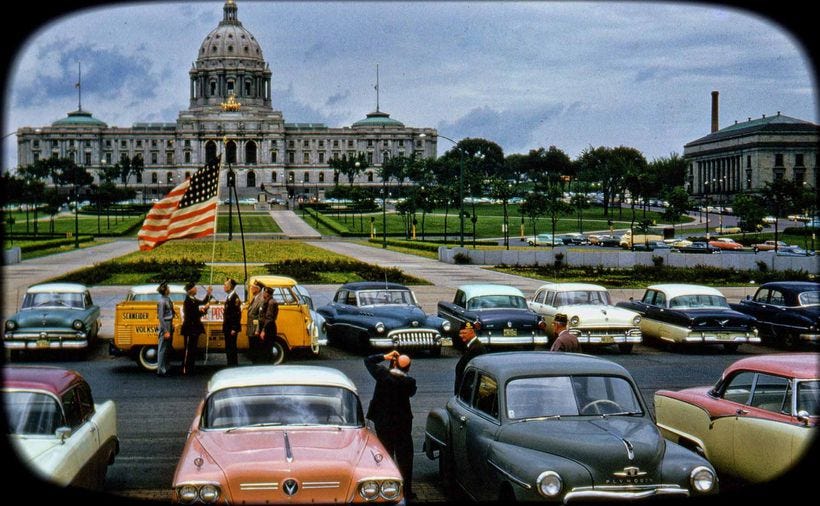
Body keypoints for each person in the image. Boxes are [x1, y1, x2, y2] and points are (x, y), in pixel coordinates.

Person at [364, 350, 417, 501]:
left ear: (394, 363)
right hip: (402, 425)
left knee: (386, 456)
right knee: (405, 458)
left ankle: (386, 489)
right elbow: (411, 392)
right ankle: (406, 491)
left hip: (383, 423)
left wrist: (384, 357)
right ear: (408, 368)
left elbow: (368, 360)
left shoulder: (382, 375)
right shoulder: (409, 382)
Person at [181, 281, 213, 375]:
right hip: (189, 329)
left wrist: (208, 294)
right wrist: (204, 310)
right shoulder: (188, 301)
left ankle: (191, 367)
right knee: (188, 349)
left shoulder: (193, 299)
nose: (196, 289)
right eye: (194, 288)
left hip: (194, 329)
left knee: (193, 349)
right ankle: (185, 369)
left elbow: (203, 302)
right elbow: (193, 315)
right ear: (190, 290)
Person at [454, 321, 486, 394]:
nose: (461, 335)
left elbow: (473, 375)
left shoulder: (477, 349)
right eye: (460, 333)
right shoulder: (470, 346)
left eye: (464, 333)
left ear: (472, 332)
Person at [155, 282, 175, 377]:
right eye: (168, 288)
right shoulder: (162, 301)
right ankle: (160, 369)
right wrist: (166, 330)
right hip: (165, 324)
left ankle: (165, 367)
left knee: (167, 347)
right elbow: (160, 317)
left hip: (169, 323)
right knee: (162, 347)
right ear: (165, 290)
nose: (169, 289)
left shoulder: (167, 299)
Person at [222, 278, 242, 366]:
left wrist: (234, 328)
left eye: (225, 285)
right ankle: (230, 364)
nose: (224, 287)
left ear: (230, 287)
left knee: (232, 348)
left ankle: (233, 365)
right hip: (228, 327)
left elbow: (237, 314)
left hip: (231, 328)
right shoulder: (229, 297)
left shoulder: (235, 298)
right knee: (228, 347)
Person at [246, 279, 266, 363]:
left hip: (255, 330)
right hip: (252, 329)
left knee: (256, 351)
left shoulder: (261, 300)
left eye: (253, 287)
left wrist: (257, 330)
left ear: (257, 289)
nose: (251, 288)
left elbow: (259, 317)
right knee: (253, 351)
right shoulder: (255, 298)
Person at [258, 286, 279, 363]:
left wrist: (264, 330)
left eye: (265, 292)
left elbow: (269, 318)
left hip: (268, 329)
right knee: (265, 349)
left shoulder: (271, 303)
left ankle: (268, 366)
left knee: (267, 350)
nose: (263, 293)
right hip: (267, 327)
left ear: (268, 294)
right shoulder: (267, 301)